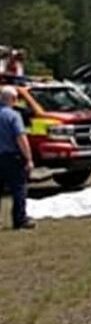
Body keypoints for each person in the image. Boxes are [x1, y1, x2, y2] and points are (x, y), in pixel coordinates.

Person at [0, 86, 35, 230]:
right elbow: (21, 138)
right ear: (13, 99)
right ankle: (20, 219)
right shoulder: (13, 116)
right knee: (19, 189)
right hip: (12, 157)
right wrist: (29, 158)